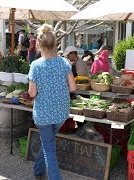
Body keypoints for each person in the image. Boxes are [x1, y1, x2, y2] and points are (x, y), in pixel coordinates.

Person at [28, 24, 76, 180]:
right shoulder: (64, 63)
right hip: (61, 112)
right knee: (47, 142)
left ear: (39, 44)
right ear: (55, 43)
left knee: (49, 147)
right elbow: (73, 87)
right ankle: (37, 171)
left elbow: (32, 92)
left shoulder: (35, 65)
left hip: (43, 114)